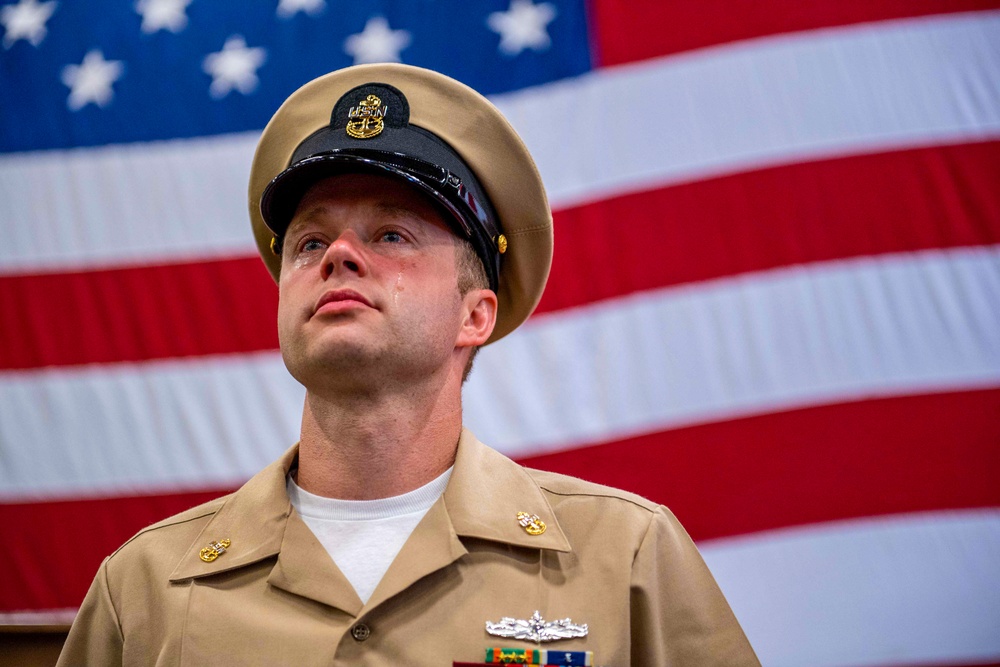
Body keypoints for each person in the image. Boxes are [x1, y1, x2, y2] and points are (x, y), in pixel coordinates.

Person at [58, 63, 760, 666]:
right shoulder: (146, 588)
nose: (336, 255)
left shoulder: (626, 557)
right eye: (307, 243)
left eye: (391, 233)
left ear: (475, 315)